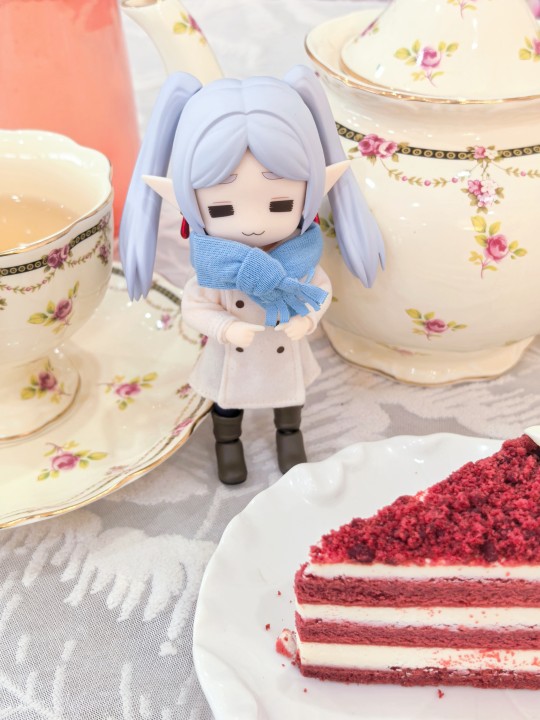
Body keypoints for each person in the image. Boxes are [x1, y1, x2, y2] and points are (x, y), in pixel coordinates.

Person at [120, 65, 384, 485]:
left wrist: (307, 321)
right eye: (223, 208)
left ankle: (289, 436)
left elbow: (318, 290)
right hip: (234, 351)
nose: (254, 226)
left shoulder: (300, 258)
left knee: (289, 398)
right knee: (228, 402)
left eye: (279, 204)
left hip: (282, 347)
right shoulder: (215, 266)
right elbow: (195, 304)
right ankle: (228, 443)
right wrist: (225, 327)